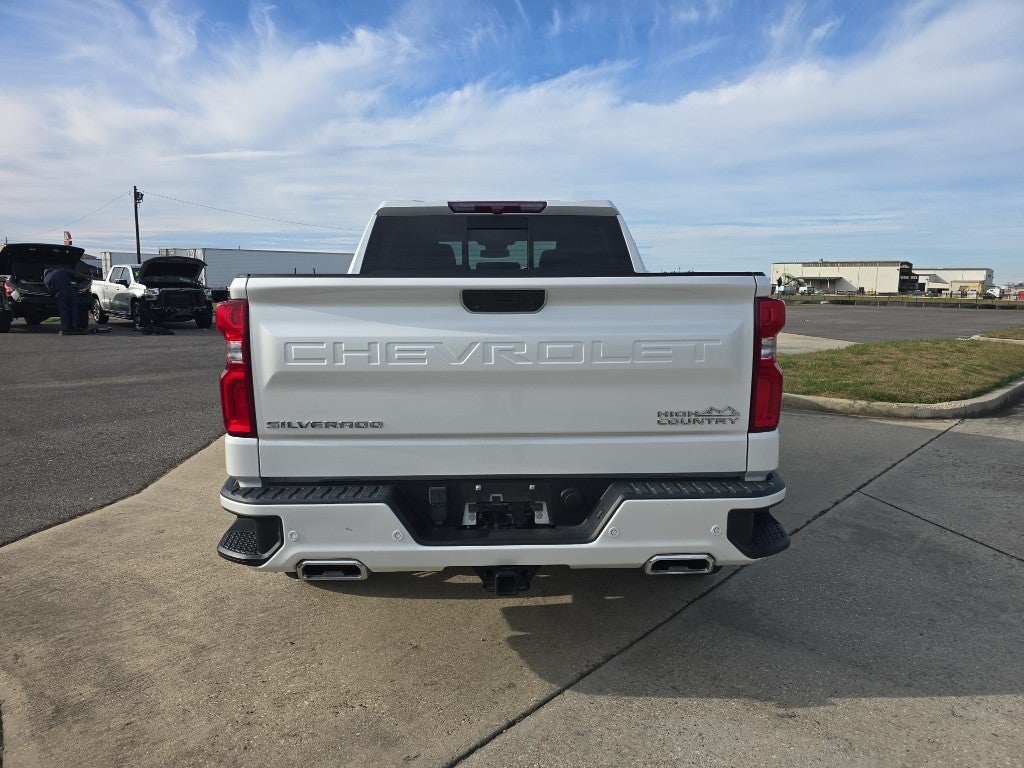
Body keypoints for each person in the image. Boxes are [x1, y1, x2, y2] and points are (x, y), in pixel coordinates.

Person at [43, 268, 83, 335]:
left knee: (63, 310)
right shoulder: (60, 270)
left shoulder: (46, 279)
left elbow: (50, 291)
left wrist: (54, 295)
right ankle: (75, 324)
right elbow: (73, 273)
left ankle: (65, 327)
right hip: (70, 291)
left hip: (60, 294)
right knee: (74, 308)